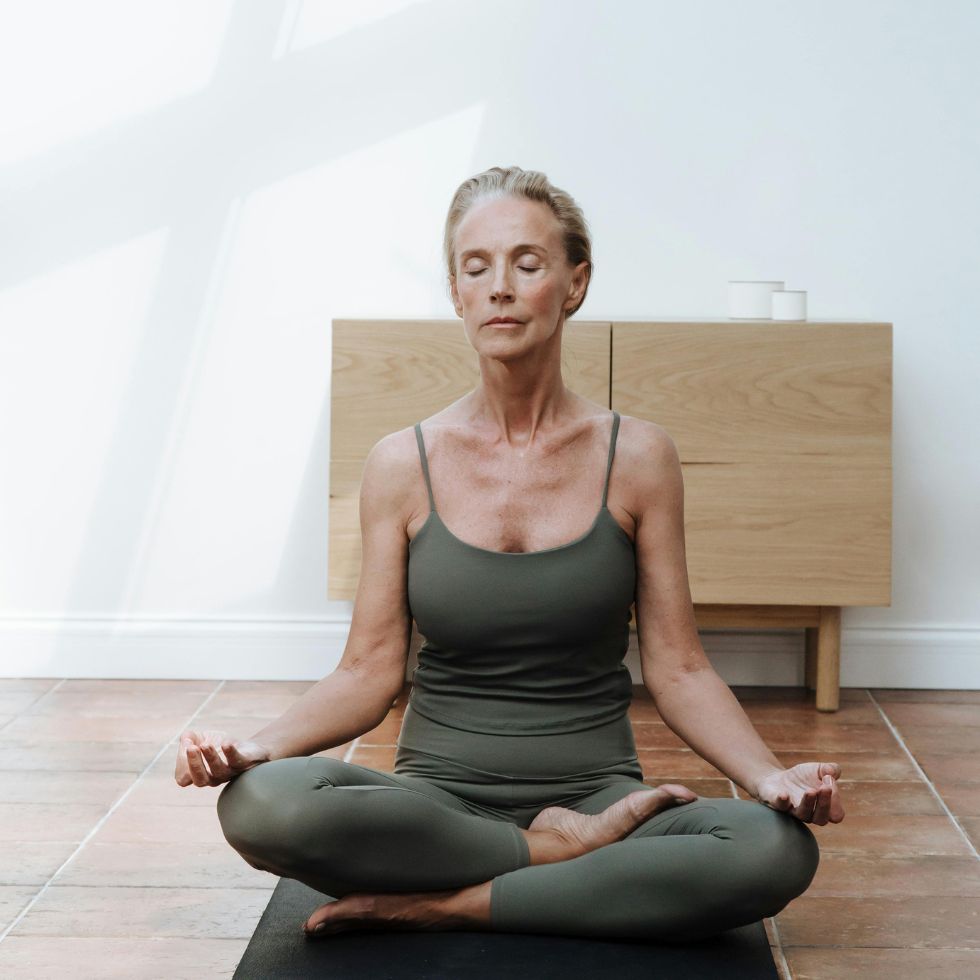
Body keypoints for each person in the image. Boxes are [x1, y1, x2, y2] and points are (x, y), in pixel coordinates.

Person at [174, 165, 844, 943]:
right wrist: (251, 750)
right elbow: (366, 673)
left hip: (600, 798)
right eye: (476, 266)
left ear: (574, 284)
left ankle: (449, 903)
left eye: (527, 264)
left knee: (773, 851)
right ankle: (546, 859)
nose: (500, 287)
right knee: (261, 803)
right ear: (456, 293)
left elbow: (680, 668)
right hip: (436, 806)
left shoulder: (639, 457)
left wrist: (769, 778)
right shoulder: (400, 464)